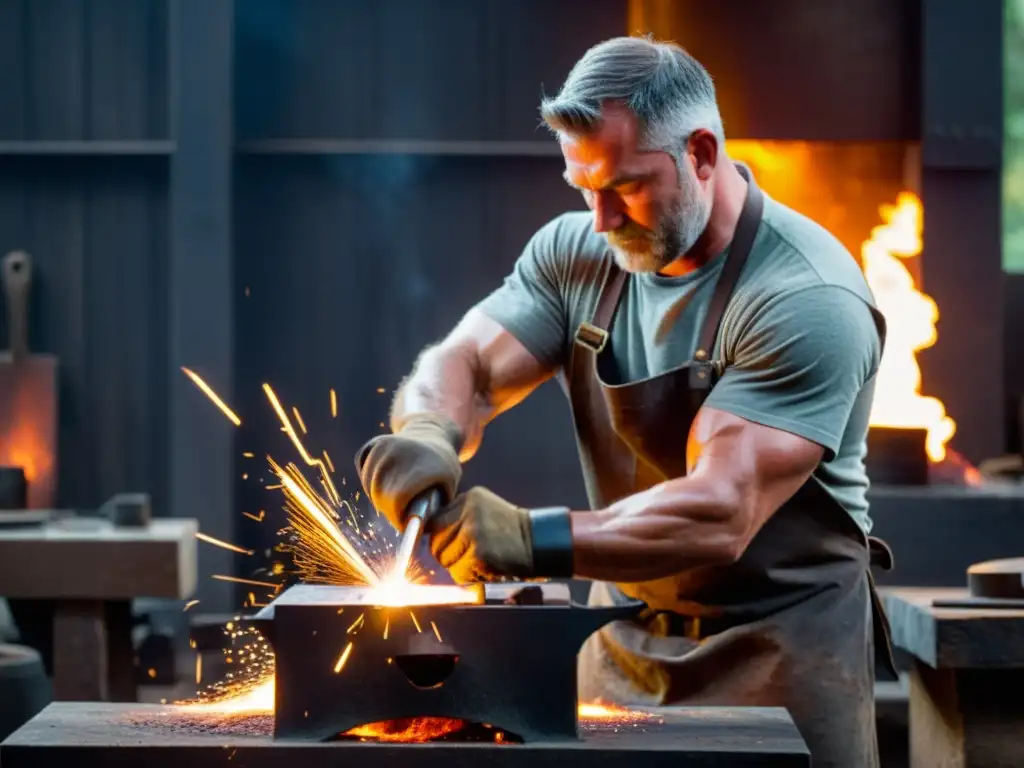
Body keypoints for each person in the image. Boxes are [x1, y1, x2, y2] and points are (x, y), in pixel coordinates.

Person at [356, 36, 895, 768]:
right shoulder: (578, 252)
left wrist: (529, 539)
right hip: (617, 646)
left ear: (701, 152)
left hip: (782, 659)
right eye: (583, 186)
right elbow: (470, 364)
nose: (602, 217)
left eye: (627, 186)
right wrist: (426, 431)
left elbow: (720, 508)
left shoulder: (806, 297)